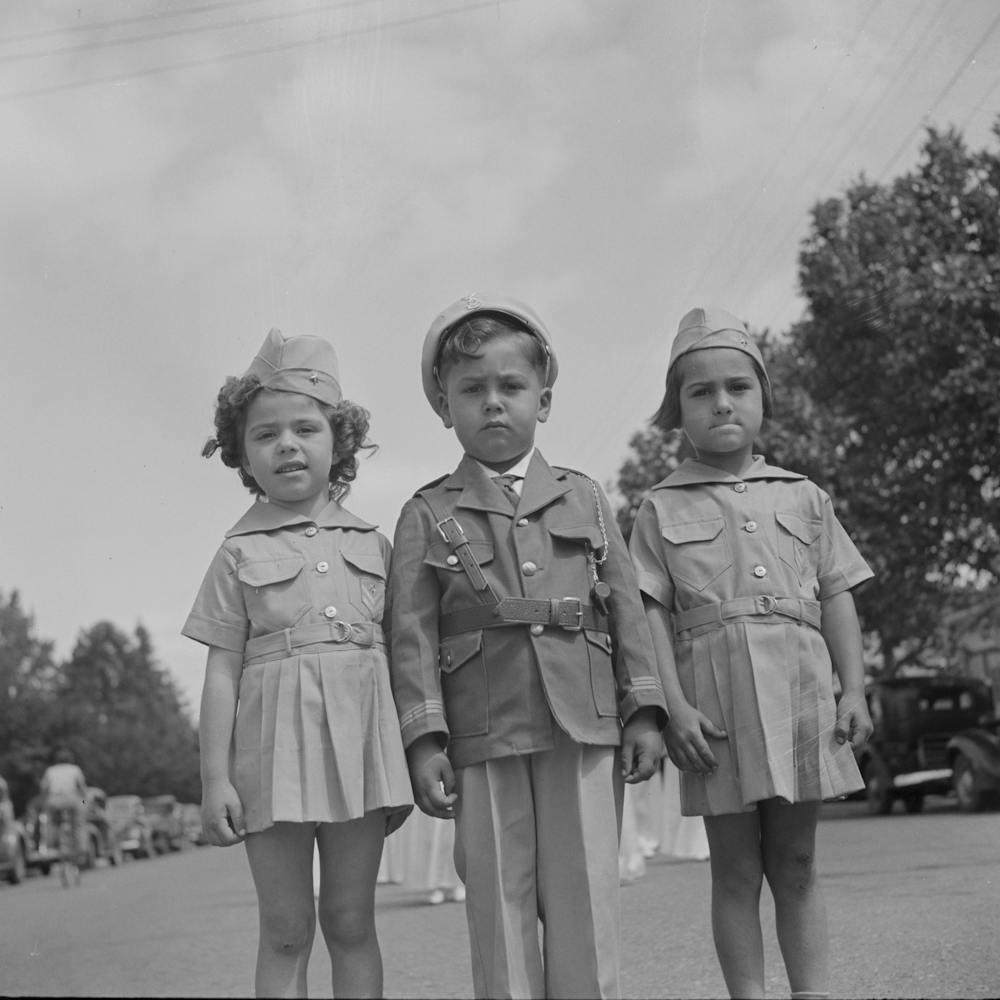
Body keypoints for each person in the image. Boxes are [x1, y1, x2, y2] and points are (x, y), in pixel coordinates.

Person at [389, 293, 668, 999]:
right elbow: (412, 637)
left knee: (585, 898)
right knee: (499, 904)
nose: (492, 403)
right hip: (482, 731)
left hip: (583, 719)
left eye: (510, 387)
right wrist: (425, 741)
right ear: (444, 406)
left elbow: (626, 609)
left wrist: (644, 710)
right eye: (472, 389)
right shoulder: (427, 512)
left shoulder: (587, 497)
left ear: (542, 401)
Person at [628, 306, 874, 1000]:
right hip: (714, 707)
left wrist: (852, 689)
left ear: (764, 396)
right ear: (677, 410)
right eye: (700, 392)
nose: (721, 403)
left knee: (795, 861)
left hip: (799, 693)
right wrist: (671, 705)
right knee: (734, 870)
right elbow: (648, 610)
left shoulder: (805, 495)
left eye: (738, 386)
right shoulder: (660, 507)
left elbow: (836, 595)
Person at [183, 329, 413, 999]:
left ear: (338, 441)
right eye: (265, 435)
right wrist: (214, 780)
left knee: (349, 922)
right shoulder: (234, 552)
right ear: (242, 456)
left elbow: (405, 657)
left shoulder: (376, 542)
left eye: (306, 428)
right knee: (286, 929)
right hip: (270, 759)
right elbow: (221, 671)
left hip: (359, 752)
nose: (287, 444)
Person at [39, 748, 88, 864]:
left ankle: (51, 846)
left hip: (54, 801)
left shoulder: (50, 771)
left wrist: (44, 803)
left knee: (52, 823)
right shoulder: (75, 769)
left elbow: (43, 788)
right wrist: (84, 802)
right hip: (72, 800)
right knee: (78, 825)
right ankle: (81, 850)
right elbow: (82, 789)